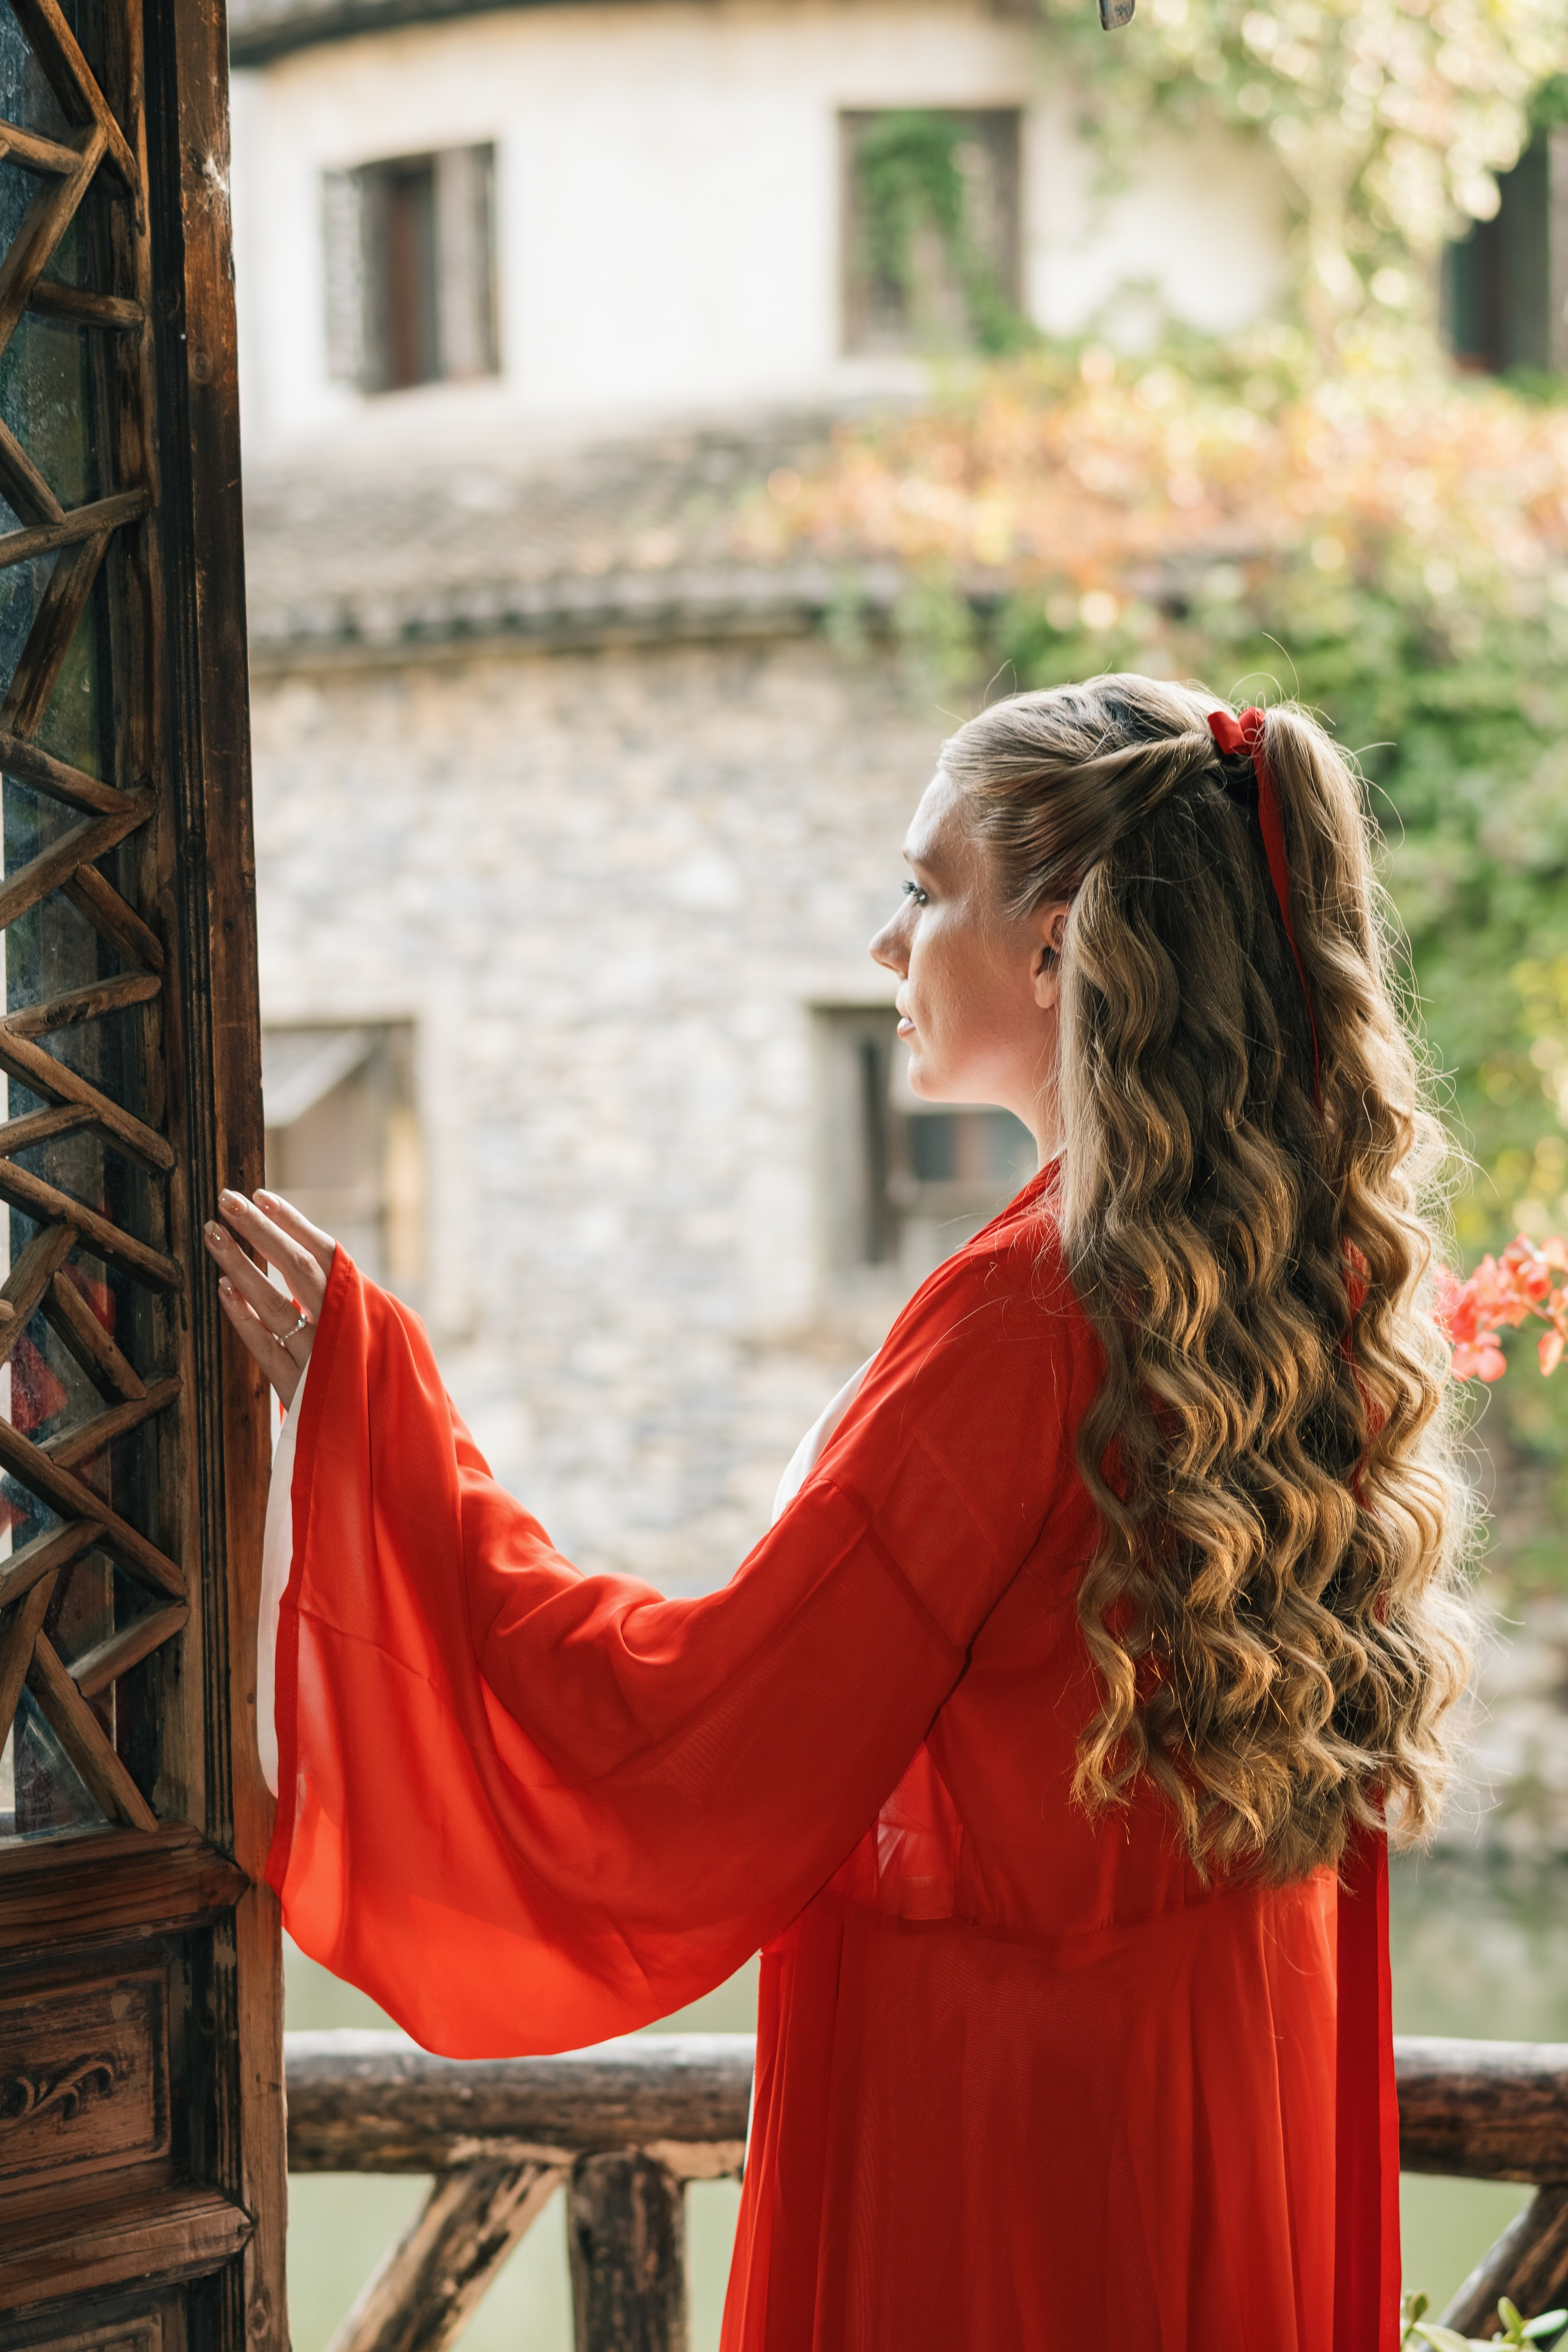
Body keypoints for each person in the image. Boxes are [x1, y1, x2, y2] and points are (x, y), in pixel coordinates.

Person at [207, 675, 1472, 2352]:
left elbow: (698, 1726)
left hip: (1016, 2118)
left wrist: (381, 1414)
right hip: (1236, 2042)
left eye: (922, 888)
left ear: (1060, 944)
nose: (886, 946)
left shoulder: (1028, 1311)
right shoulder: (1299, 1278)